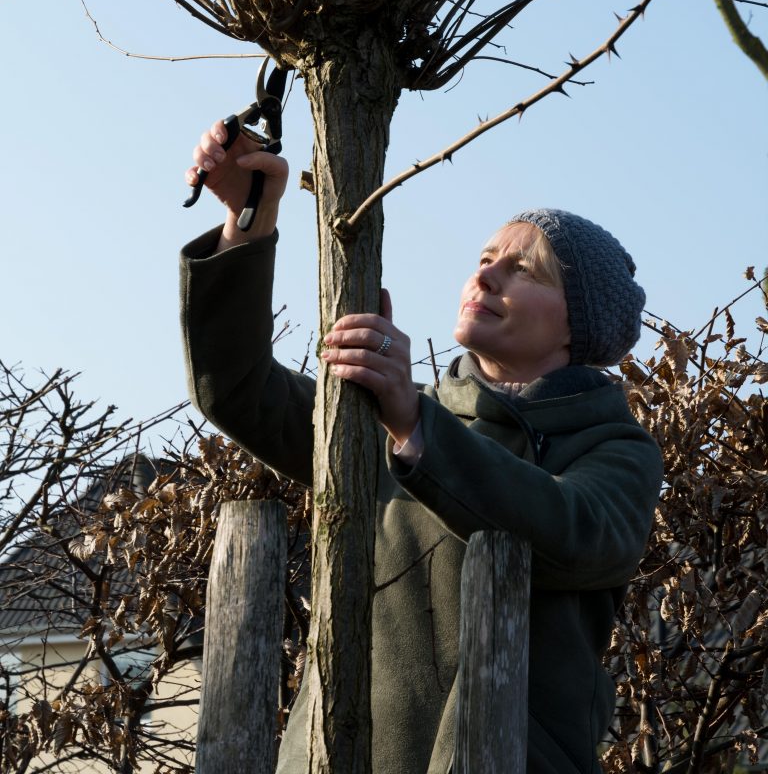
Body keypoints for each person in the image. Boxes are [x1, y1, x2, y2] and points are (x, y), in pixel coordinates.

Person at [180, 124, 664, 774]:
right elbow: (237, 389)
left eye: (524, 269)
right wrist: (250, 218)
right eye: (486, 257)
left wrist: (416, 429)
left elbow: (569, 532)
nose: (486, 273)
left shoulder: (615, 448)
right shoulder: (381, 419)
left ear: (578, 324)